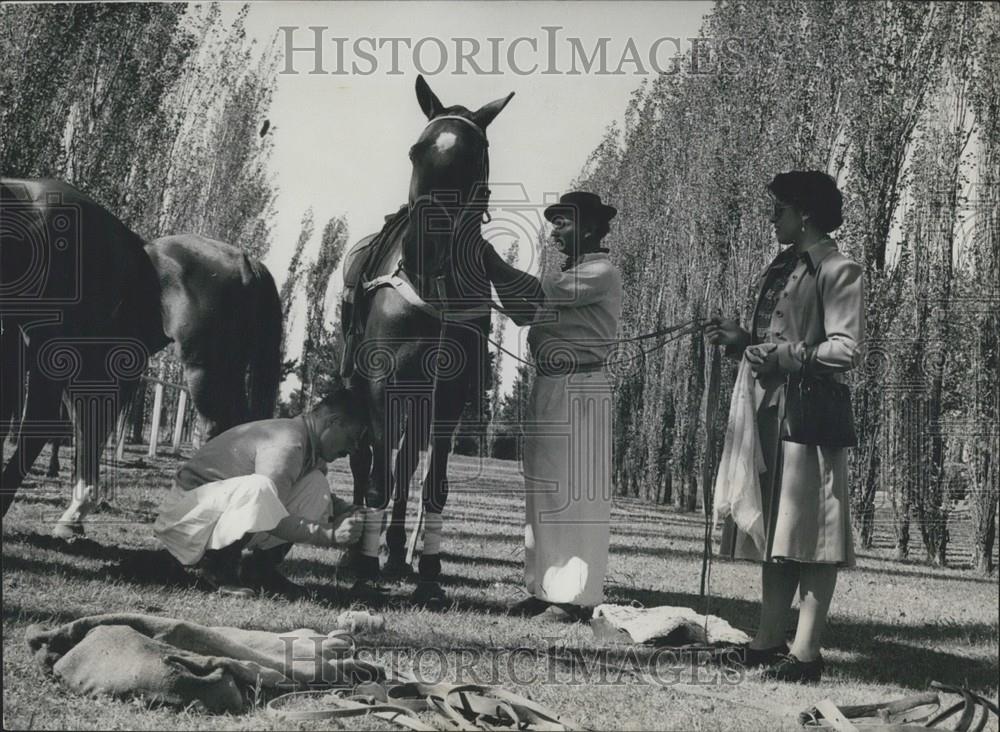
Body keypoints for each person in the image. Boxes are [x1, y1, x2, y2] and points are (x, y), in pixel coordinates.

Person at [707, 171, 864, 683]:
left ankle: (807, 655)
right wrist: (743, 340)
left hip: (812, 418)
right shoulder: (784, 267)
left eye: (779, 209)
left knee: (814, 537)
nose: (773, 217)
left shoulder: (838, 269)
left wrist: (784, 354)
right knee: (778, 532)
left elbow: (845, 350)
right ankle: (767, 641)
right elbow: (779, 339)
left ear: (806, 213)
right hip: (769, 415)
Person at [482, 191, 623, 621]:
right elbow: (524, 310)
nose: (555, 230)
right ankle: (545, 589)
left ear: (588, 227)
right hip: (551, 385)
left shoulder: (600, 271)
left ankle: (574, 599)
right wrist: (489, 272)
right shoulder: (573, 273)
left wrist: (488, 258)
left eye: (563, 222)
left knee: (575, 493)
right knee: (542, 488)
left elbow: (535, 291)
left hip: (581, 386)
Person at [153, 387, 368, 598]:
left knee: (316, 484)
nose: (351, 450)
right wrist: (329, 534)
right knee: (261, 490)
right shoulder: (288, 445)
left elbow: (295, 497)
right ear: (333, 422)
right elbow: (272, 515)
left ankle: (259, 571)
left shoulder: (305, 444)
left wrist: (349, 511)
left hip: (209, 513)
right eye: (351, 439)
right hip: (186, 520)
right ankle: (218, 571)